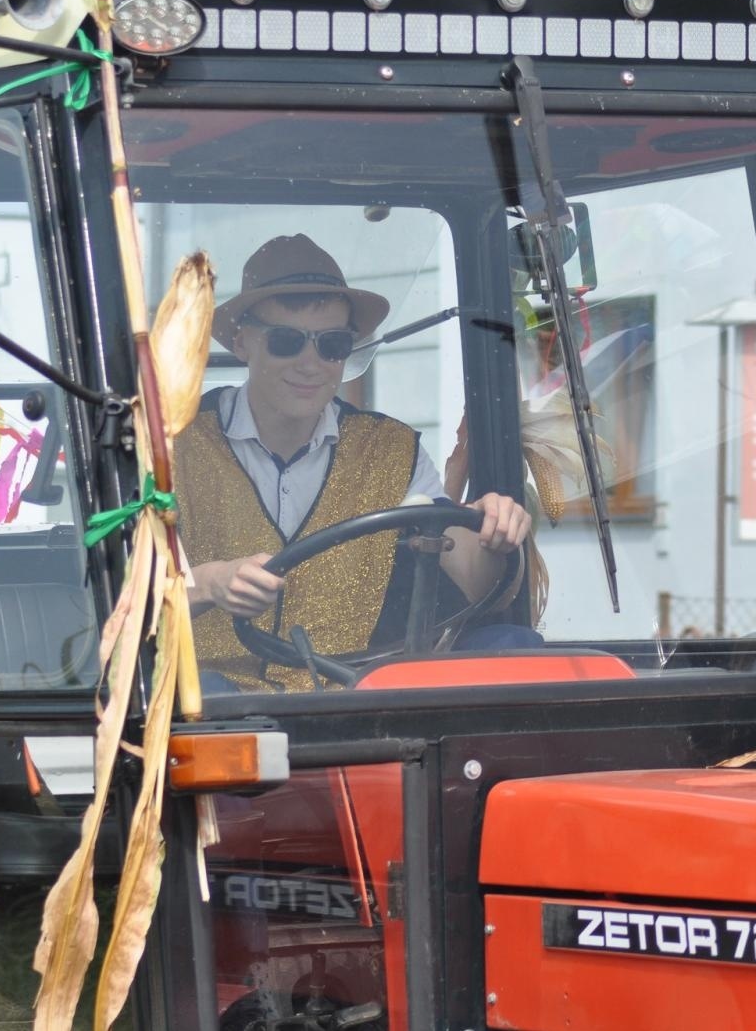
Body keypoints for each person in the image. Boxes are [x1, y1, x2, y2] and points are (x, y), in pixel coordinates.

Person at [175, 234, 534, 692]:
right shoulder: (174, 447)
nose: (311, 364)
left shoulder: (391, 449)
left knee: (516, 647)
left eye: (332, 345)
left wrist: (496, 532)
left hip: (353, 700)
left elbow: (472, 581)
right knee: (205, 694)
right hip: (218, 710)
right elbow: (127, 607)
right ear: (244, 343)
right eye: (287, 341)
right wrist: (209, 582)